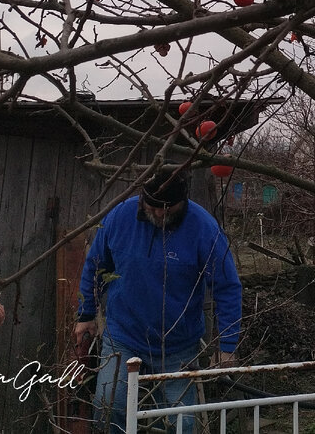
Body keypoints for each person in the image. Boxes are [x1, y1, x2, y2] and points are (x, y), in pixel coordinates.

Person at [75, 169, 242, 433]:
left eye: (169, 208)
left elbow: (227, 287)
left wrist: (228, 345)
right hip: (123, 337)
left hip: (179, 345)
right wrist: (85, 314)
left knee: (183, 423)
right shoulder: (120, 217)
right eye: (155, 207)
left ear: (183, 200)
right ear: (143, 198)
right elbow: (95, 266)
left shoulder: (204, 228)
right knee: (109, 410)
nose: (161, 214)